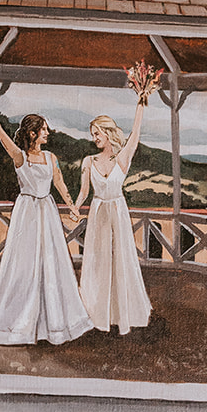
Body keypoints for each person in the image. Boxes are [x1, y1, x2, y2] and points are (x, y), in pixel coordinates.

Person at [0, 111, 92, 346]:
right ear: (32, 133)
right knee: (24, 263)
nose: (47, 133)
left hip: (47, 212)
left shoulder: (50, 157)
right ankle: (20, 317)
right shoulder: (20, 156)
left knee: (51, 262)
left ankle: (52, 320)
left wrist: (72, 207)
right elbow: (2, 136)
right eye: (43, 129)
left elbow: (59, 184)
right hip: (27, 213)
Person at [75, 98, 152, 335]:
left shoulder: (122, 158)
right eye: (93, 134)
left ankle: (120, 313)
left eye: (97, 133)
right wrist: (76, 208)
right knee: (97, 262)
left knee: (120, 259)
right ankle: (95, 312)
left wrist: (141, 103)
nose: (94, 138)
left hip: (118, 213)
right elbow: (84, 192)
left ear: (108, 133)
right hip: (98, 214)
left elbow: (135, 133)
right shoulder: (88, 161)